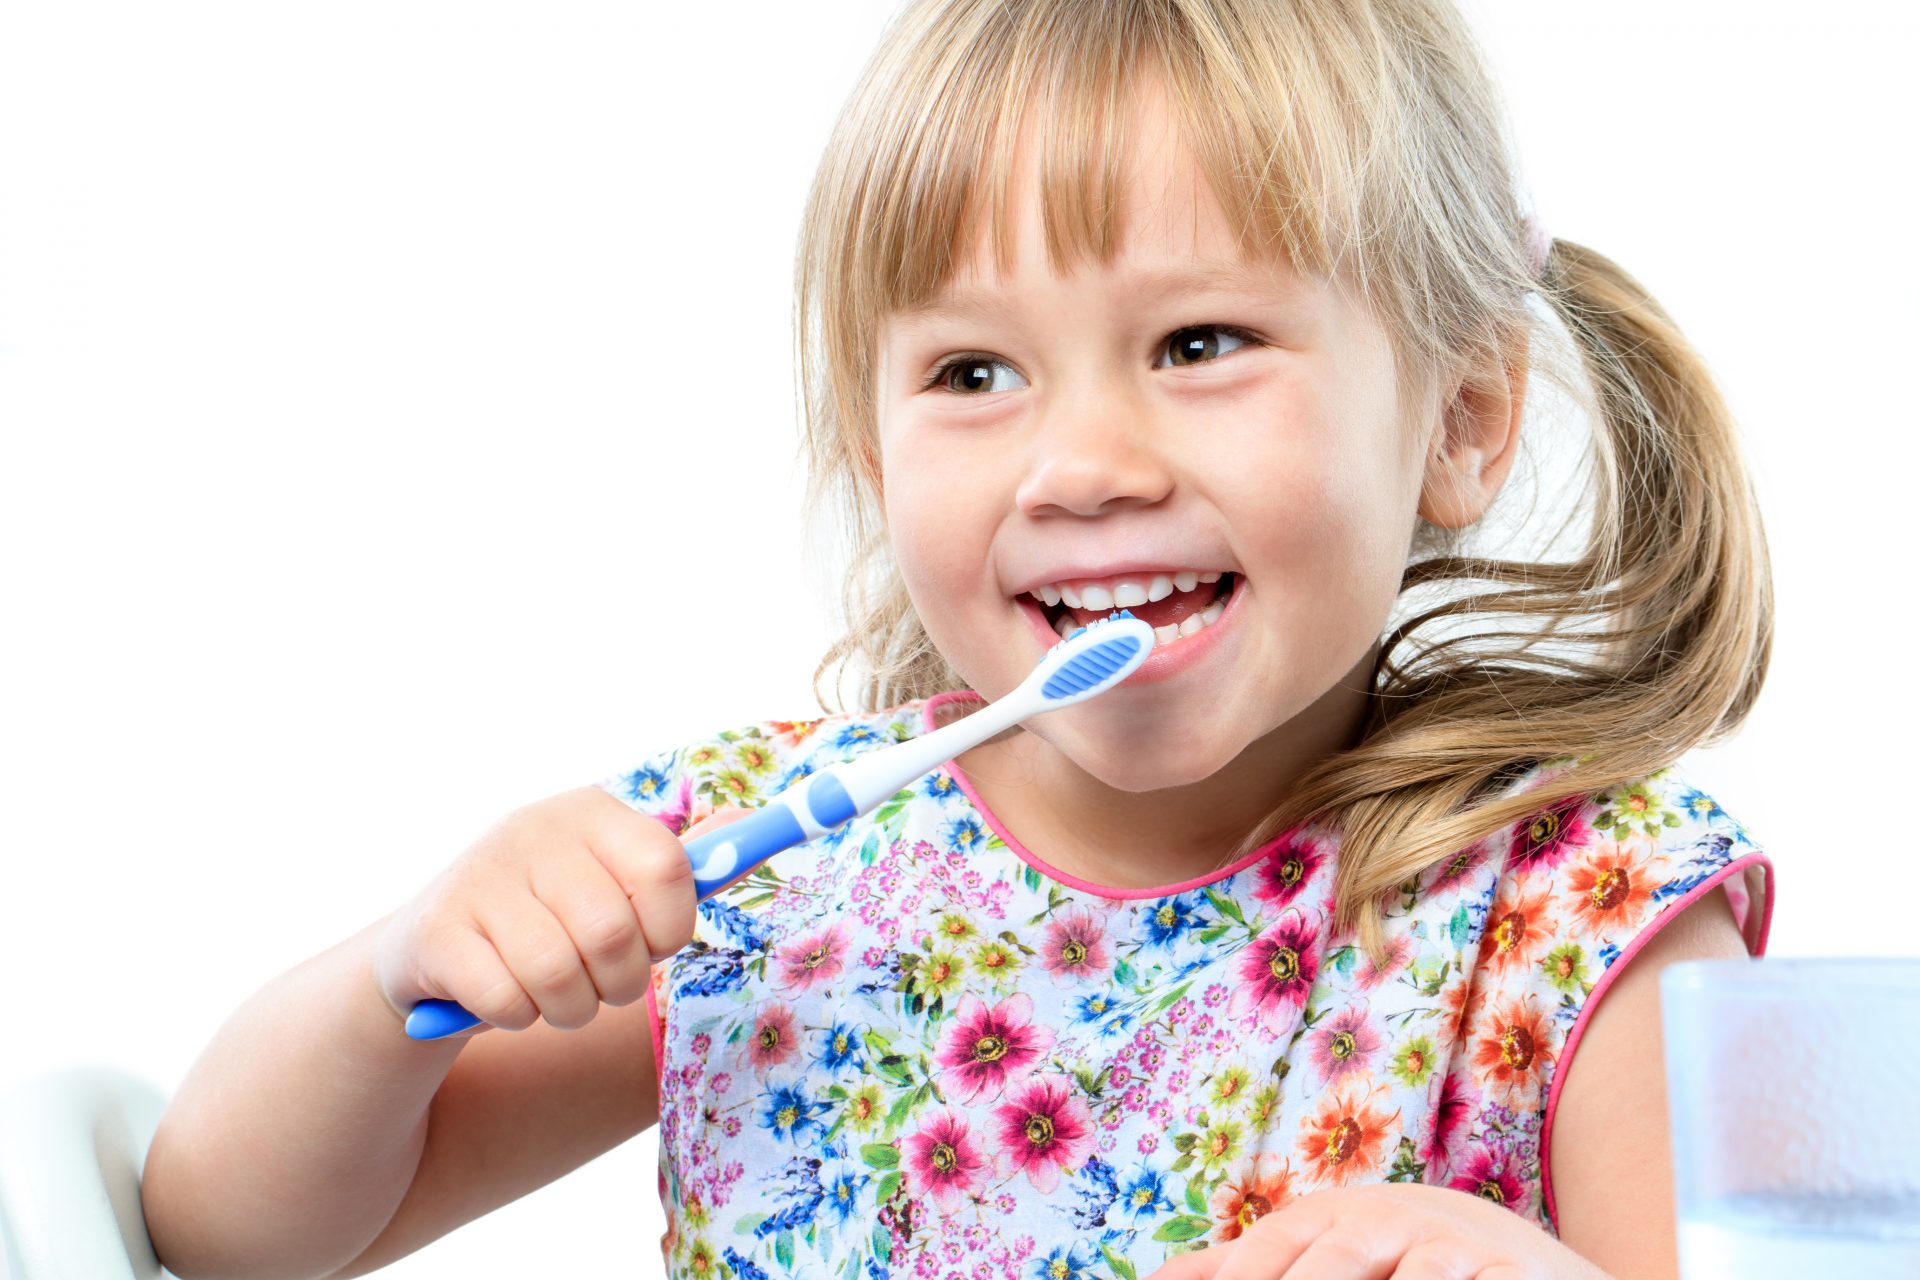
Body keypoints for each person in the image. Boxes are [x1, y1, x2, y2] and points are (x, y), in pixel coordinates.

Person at [140, 0, 1777, 1277]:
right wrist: (398, 976)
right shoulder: (753, 883)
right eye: (974, 374)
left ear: (1465, 416)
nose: (1083, 467)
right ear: (875, 457)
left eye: (1200, 342)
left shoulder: (1588, 915)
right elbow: (224, 1238)